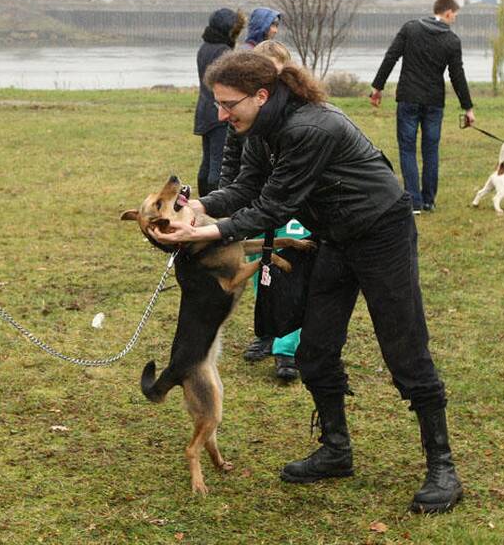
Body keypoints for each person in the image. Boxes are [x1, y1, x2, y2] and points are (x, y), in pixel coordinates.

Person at [151, 51, 464, 514]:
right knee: (314, 350)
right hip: (333, 235)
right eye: (216, 104)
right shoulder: (260, 127)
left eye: (227, 104)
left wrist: (206, 232)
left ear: (261, 95)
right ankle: (336, 450)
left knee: (405, 350)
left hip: (381, 231)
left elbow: (274, 207)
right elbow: (246, 189)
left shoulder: (310, 128)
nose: (220, 115)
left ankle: (442, 466)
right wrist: (201, 208)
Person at [229, 40, 309, 382]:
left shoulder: (300, 115)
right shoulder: (243, 116)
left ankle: (287, 350)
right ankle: (268, 332)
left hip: (293, 205)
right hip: (258, 206)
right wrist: (225, 200)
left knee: (290, 273)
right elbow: (233, 162)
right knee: (264, 270)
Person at [370, 0, 475, 213]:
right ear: (447, 12)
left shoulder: (410, 29)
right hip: (434, 101)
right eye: (454, 14)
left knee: (407, 150)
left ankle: (414, 202)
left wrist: (377, 87)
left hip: (408, 97)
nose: (454, 19)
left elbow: (391, 57)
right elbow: (457, 75)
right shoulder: (452, 41)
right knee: (430, 151)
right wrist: (468, 107)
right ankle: (429, 200)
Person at [194, 8, 245, 197]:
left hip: (203, 110)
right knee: (218, 163)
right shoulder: (223, 51)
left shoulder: (204, 48)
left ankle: (203, 199)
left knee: (207, 161)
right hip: (218, 112)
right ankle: (214, 202)